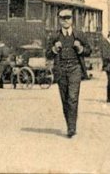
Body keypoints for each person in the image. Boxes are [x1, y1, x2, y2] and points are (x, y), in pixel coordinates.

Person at [46, 8, 92, 138]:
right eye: (63, 18)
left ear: (72, 20)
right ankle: (69, 125)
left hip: (75, 68)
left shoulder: (79, 34)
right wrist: (54, 49)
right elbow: (47, 54)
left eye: (68, 18)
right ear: (59, 20)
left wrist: (81, 48)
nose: (66, 21)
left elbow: (89, 50)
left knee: (72, 98)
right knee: (65, 99)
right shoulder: (54, 36)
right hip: (61, 69)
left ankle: (72, 128)